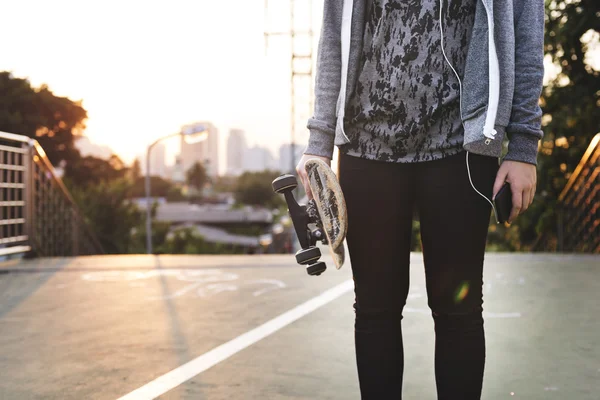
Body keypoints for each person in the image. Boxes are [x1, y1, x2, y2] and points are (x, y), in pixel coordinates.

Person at [296, 0, 544, 398]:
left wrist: (523, 146)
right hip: (366, 143)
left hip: (462, 145)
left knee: (457, 310)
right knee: (375, 309)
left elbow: (525, 34)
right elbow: (334, 36)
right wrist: (319, 140)